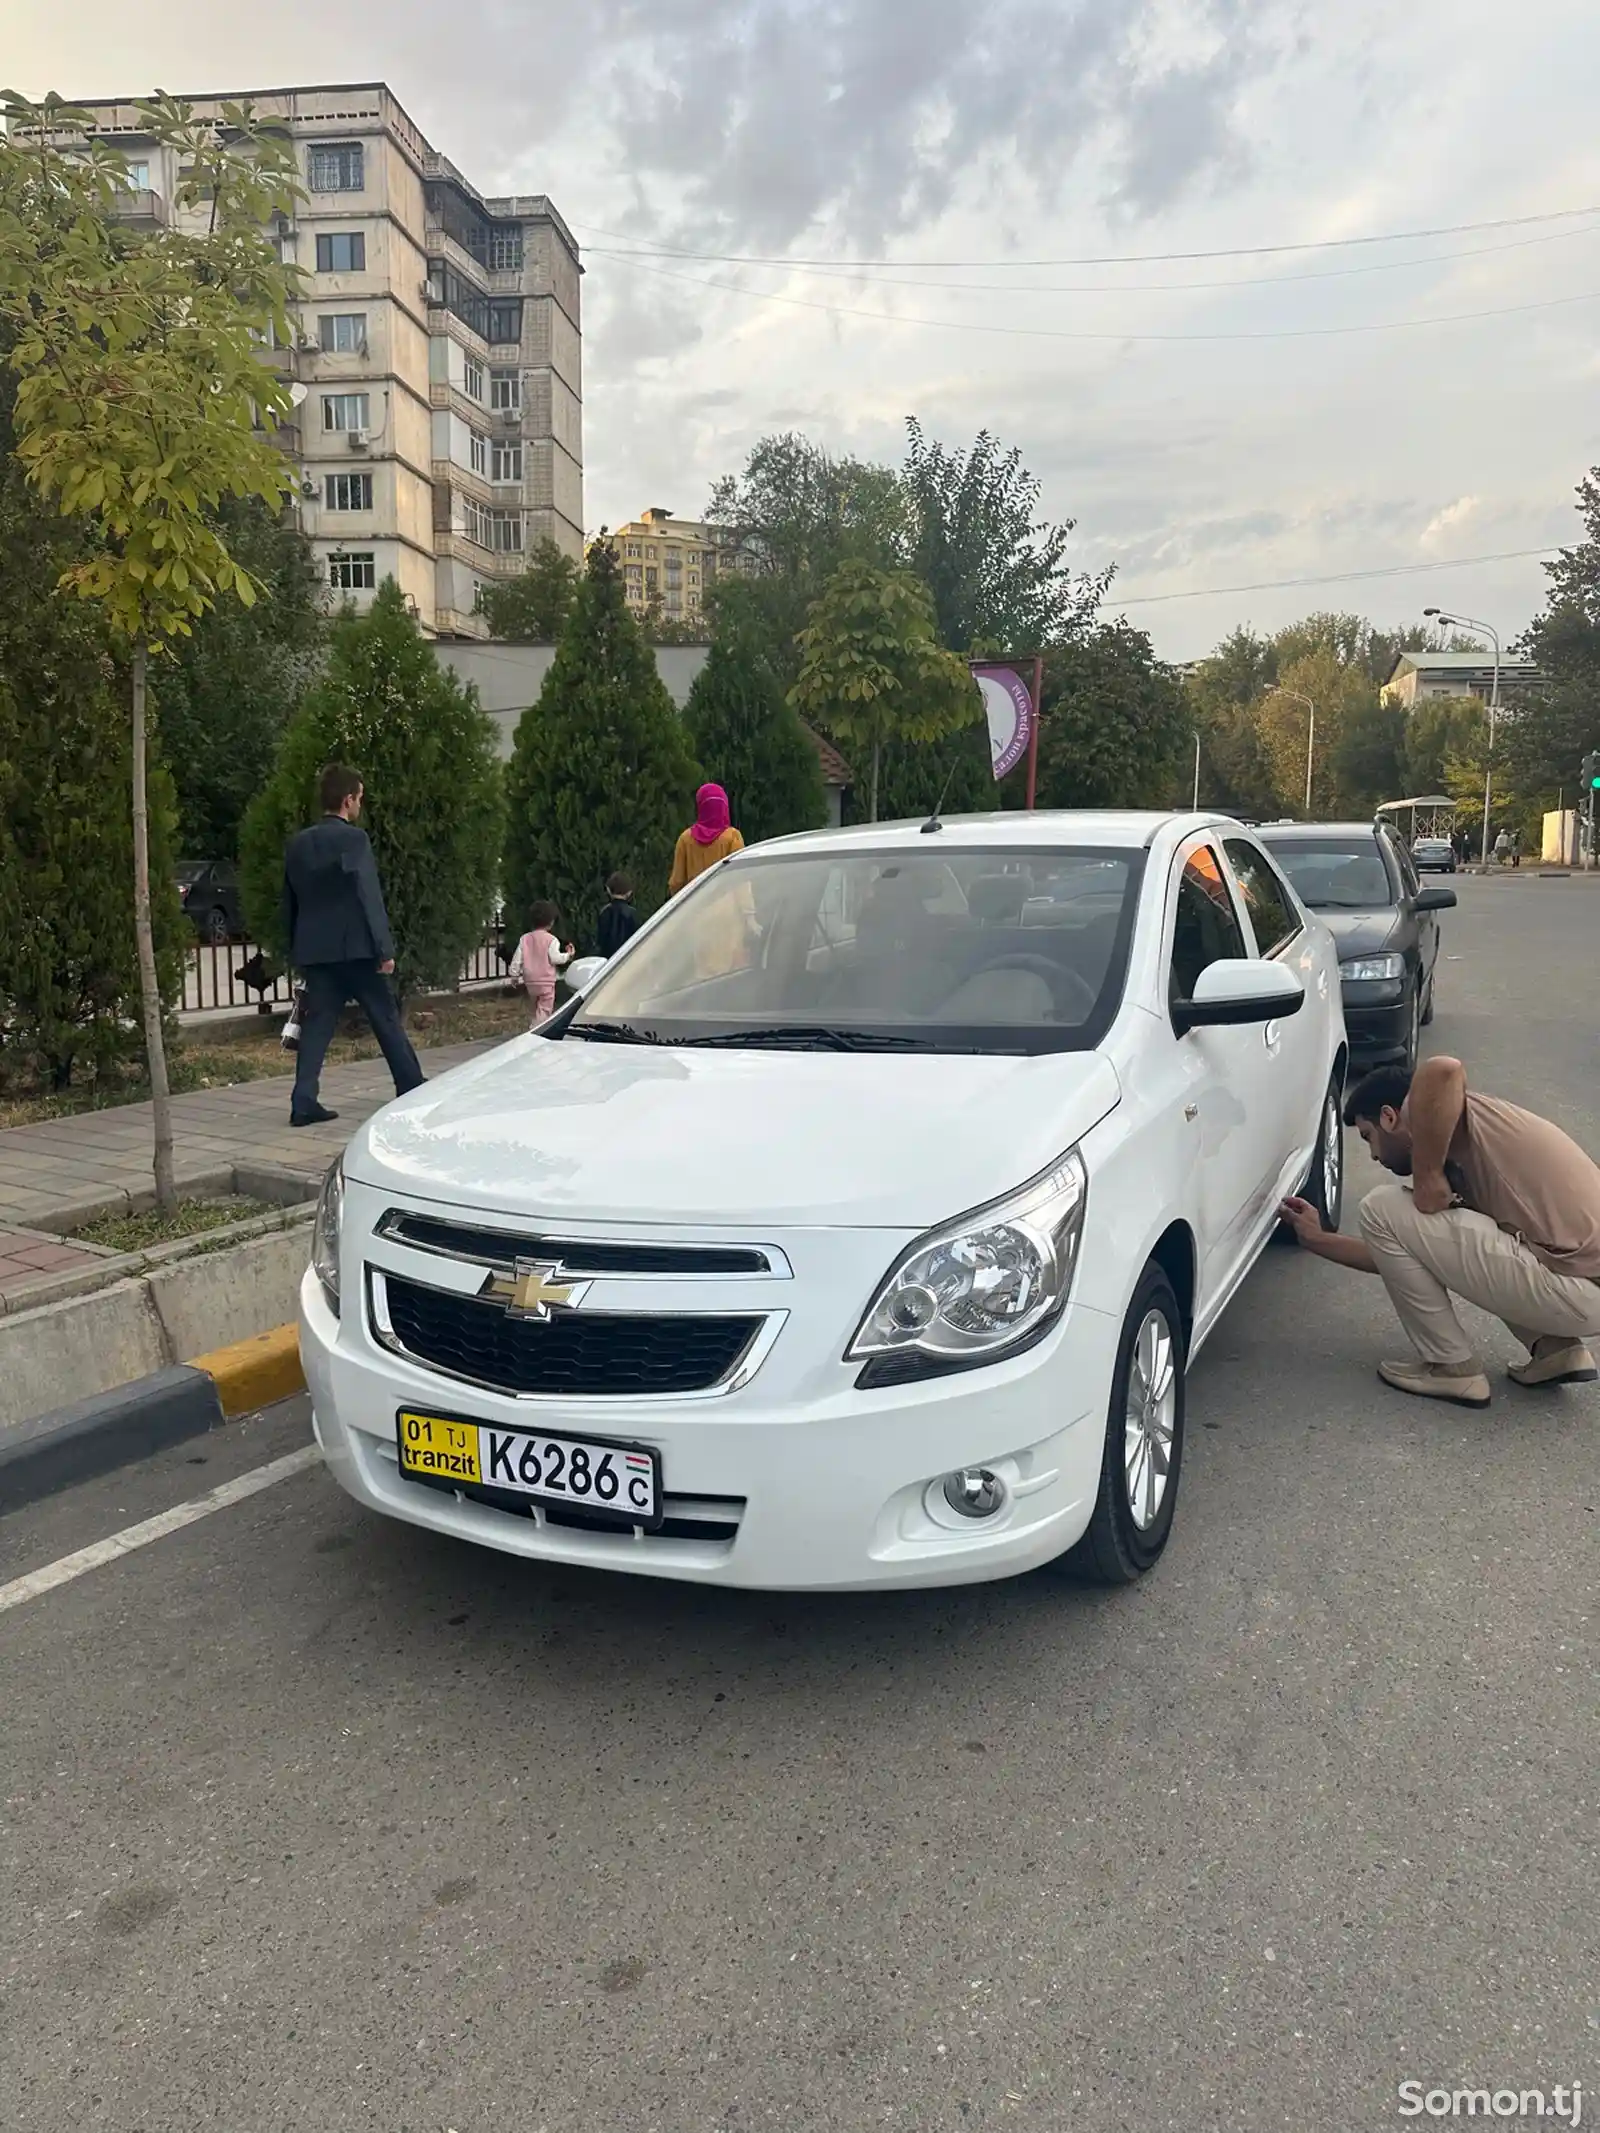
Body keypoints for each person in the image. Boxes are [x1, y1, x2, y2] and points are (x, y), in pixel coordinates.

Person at [1281, 1057, 1600, 1408]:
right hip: (1580, 1286)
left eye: (1369, 1137)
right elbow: (1407, 1255)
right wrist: (1318, 1239)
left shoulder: (1440, 1111)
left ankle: (1452, 1367)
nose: (1373, 1155)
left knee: (1379, 1208)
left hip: (1576, 1288)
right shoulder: (1468, 1135)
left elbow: (1443, 1069)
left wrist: (1428, 1174)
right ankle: (1556, 1349)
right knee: (1469, 1230)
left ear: (1390, 1116)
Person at [280, 764, 425, 1128]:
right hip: (357, 949)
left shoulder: (298, 843)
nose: (360, 804)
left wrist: (295, 948)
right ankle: (409, 1084)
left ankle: (303, 1101)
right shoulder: (354, 840)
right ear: (348, 800)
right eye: (359, 798)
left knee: (318, 1024)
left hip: (316, 951)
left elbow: (290, 900)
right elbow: (367, 896)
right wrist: (384, 949)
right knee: (384, 1016)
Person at [669, 783, 744, 895]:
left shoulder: (685, 839)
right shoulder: (732, 837)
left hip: (695, 908)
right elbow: (739, 879)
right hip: (726, 908)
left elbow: (676, 883)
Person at [511, 901, 573, 1026]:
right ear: (551, 922)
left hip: (530, 981)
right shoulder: (552, 940)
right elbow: (556, 959)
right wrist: (568, 955)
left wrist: (514, 975)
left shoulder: (525, 938)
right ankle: (537, 1028)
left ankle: (534, 1022)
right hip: (546, 981)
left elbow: (517, 959)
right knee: (545, 1008)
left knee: (535, 1007)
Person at [595, 873, 640, 959]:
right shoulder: (633, 913)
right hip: (628, 958)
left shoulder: (604, 912)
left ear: (608, 890)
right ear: (629, 892)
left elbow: (600, 942)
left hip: (608, 962)